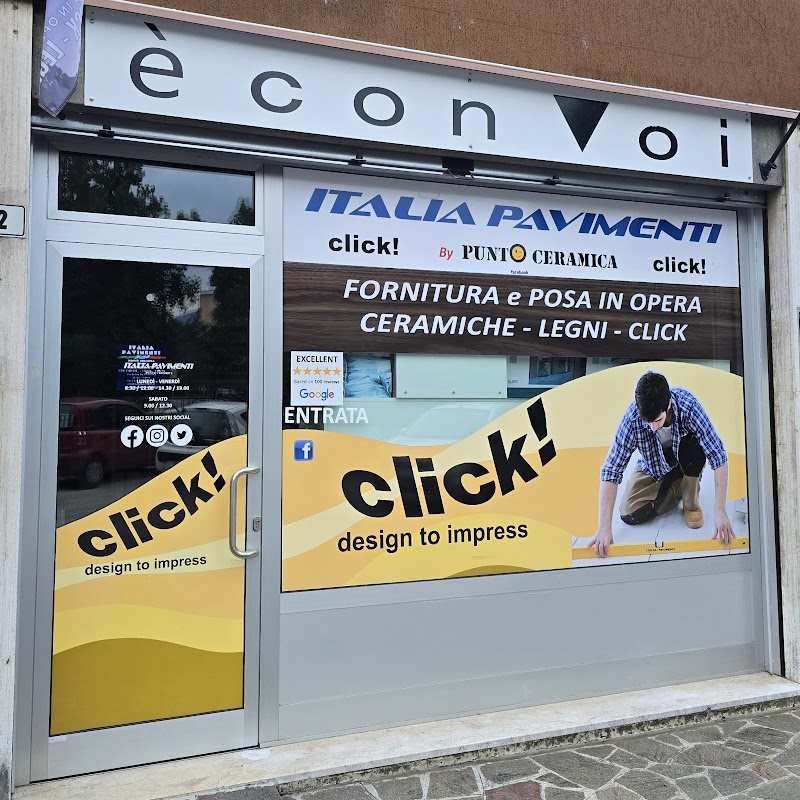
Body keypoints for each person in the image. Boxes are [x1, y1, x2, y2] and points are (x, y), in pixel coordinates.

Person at [588, 370, 735, 557]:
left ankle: (689, 499)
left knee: (695, 447)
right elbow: (611, 469)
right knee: (629, 513)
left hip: (686, 457)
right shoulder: (633, 418)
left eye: (657, 420)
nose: (652, 427)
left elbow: (718, 456)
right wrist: (603, 528)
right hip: (655, 465)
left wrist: (720, 511)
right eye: (647, 422)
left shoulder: (689, 406)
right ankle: (675, 487)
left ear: (669, 405)